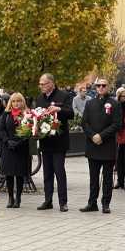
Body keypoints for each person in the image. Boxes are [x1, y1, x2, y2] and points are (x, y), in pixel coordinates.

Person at [80, 79, 122, 213]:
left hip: (107, 145)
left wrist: (101, 136)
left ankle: (105, 203)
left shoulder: (114, 104)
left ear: (108, 87)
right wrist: (93, 136)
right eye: (98, 85)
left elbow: (117, 124)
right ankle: (92, 203)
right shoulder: (90, 103)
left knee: (107, 177)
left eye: (104, 85)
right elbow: (84, 122)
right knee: (93, 177)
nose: (101, 87)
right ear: (95, 87)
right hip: (93, 145)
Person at [36, 73, 74, 212]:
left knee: (59, 171)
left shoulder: (63, 96)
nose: (41, 86)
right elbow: (37, 116)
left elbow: (71, 113)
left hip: (59, 141)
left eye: (43, 84)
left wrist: (59, 109)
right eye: (40, 84)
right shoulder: (39, 98)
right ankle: (48, 200)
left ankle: (63, 202)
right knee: (47, 173)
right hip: (46, 141)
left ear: (51, 83)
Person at [0, 93, 29, 208]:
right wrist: (7, 141)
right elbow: (1, 129)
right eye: (14, 101)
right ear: (11, 102)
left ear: (22, 102)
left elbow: (29, 130)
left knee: (19, 174)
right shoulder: (6, 115)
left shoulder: (27, 115)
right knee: (9, 174)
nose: (16, 103)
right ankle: (10, 197)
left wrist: (19, 142)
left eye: (19, 101)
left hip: (21, 148)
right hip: (8, 147)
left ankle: (18, 198)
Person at [114, 87, 125, 189]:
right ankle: (119, 181)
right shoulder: (116, 106)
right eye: (123, 96)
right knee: (119, 160)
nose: (124, 97)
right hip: (119, 135)